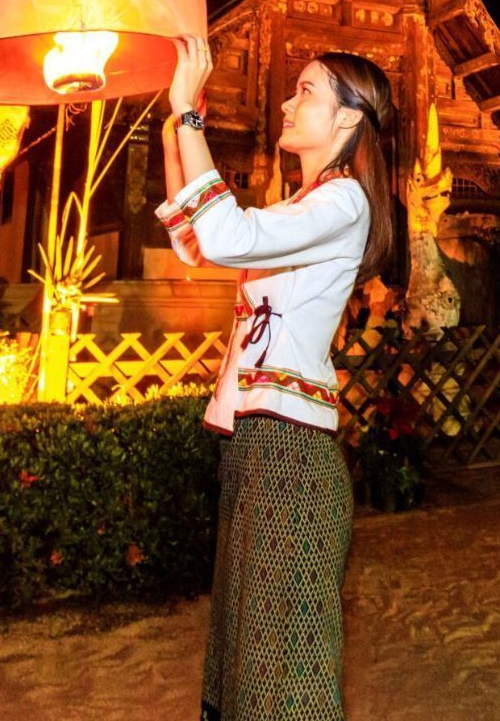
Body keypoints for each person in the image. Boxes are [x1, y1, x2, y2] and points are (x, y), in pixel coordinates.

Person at [156, 35, 394, 721]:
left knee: (280, 674)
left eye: (308, 92)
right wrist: (180, 125)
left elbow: (227, 236)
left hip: (290, 455)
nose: (288, 103)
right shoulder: (303, 203)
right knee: (247, 657)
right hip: (258, 447)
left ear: (349, 120)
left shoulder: (344, 203)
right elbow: (201, 239)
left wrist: (191, 119)